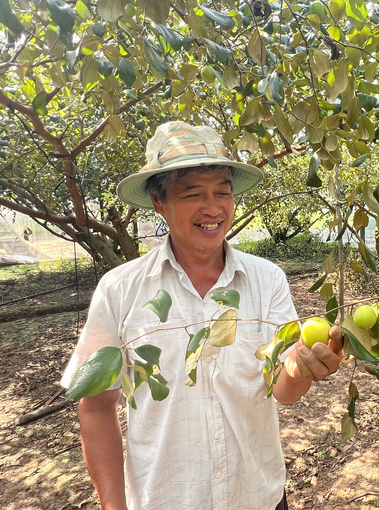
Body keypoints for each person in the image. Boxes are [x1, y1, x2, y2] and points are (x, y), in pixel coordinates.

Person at [61, 121, 343, 510]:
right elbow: (95, 406)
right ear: (159, 202)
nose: (213, 209)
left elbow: (283, 389)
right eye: (193, 193)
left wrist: (301, 366)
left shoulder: (267, 280)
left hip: (257, 497)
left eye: (222, 193)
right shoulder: (120, 290)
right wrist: (113, 505)